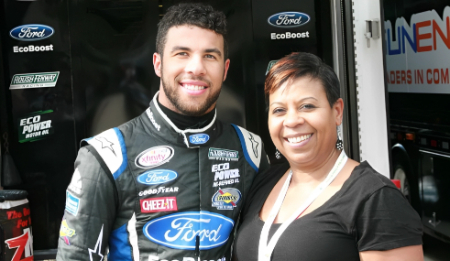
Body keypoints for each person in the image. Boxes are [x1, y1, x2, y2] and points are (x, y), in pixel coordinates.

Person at [56, 3, 269, 261]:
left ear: (224, 70)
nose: (196, 68)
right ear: (158, 64)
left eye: (210, 56)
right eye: (182, 53)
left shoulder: (250, 151)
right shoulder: (106, 156)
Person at [233, 52, 423, 261]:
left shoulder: (375, 198)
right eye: (279, 110)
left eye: (307, 106)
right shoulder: (264, 183)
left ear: (337, 111)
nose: (292, 121)